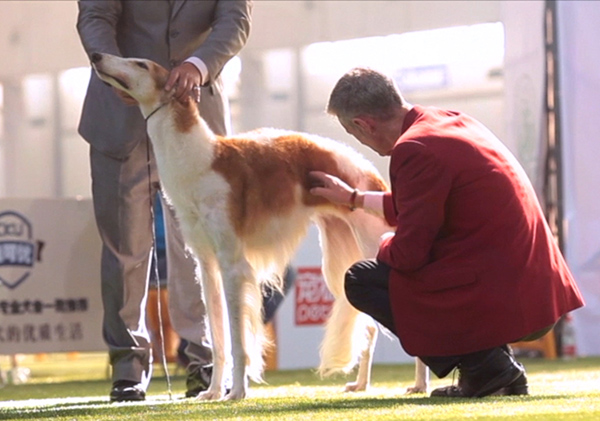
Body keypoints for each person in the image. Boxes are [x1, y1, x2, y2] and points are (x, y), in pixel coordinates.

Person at [310, 67, 584, 398]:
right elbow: (424, 202)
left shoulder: (413, 149)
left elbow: (408, 255)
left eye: (356, 137)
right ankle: (495, 368)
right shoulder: (451, 120)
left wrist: (383, 244)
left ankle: (486, 370)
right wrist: (354, 199)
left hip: (504, 295)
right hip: (537, 289)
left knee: (362, 279)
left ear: (363, 125)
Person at [76, 0, 253, 402]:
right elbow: (95, 16)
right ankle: (128, 368)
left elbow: (235, 19)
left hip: (196, 120)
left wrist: (199, 64)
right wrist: (118, 75)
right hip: (118, 113)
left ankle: (205, 361)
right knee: (124, 249)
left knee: (201, 249)